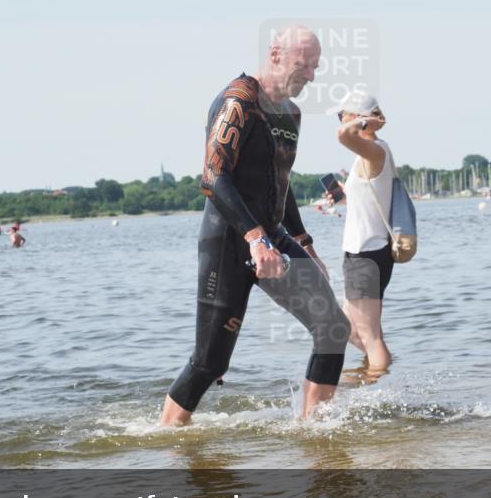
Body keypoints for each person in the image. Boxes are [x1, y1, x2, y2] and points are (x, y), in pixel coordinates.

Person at [160, 26, 350, 426]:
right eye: (304, 66)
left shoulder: (292, 114)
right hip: (229, 242)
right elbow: (213, 175)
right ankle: (168, 436)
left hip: (272, 239)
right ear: (276, 54)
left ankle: (315, 428)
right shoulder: (239, 102)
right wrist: (254, 237)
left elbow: (280, 182)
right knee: (209, 363)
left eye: (316, 68)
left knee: (333, 326)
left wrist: (303, 243)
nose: (311, 77)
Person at [330, 90, 393, 372]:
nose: (338, 120)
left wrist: (366, 122)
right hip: (365, 252)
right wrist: (343, 194)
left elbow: (342, 135)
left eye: (341, 114)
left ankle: (381, 388)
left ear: (356, 118)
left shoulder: (375, 149)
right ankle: (370, 380)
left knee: (369, 336)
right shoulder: (370, 153)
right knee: (347, 329)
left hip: (366, 252)